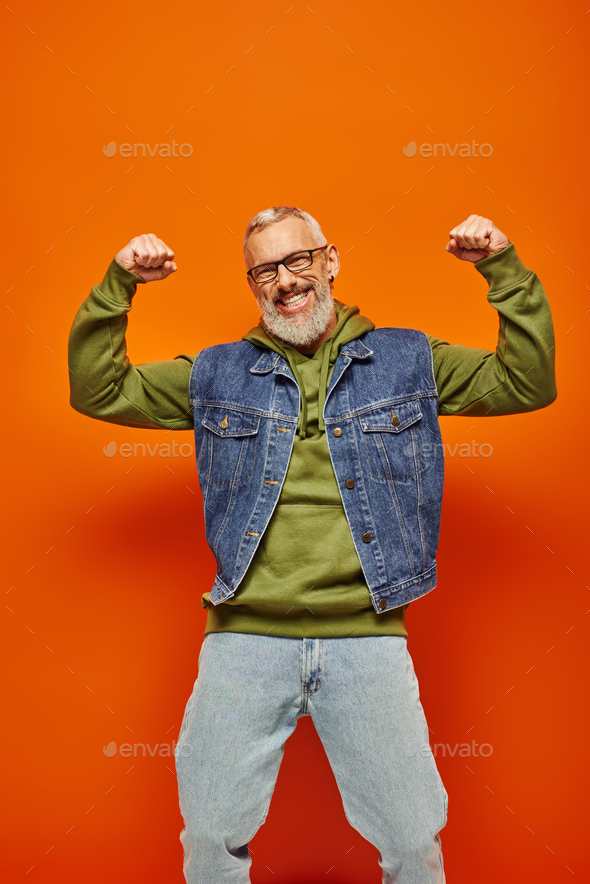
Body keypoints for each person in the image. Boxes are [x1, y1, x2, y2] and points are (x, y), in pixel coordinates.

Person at [68, 206, 557, 883]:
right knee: (209, 837)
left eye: (298, 261)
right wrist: (118, 285)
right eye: (265, 271)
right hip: (244, 639)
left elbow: (527, 382)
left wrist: (502, 269)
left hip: (367, 638)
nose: (285, 281)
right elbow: (99, 390)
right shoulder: (216, 374)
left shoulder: (409, 360)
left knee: (414, 843)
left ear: (330, 261)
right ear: (254, 286)